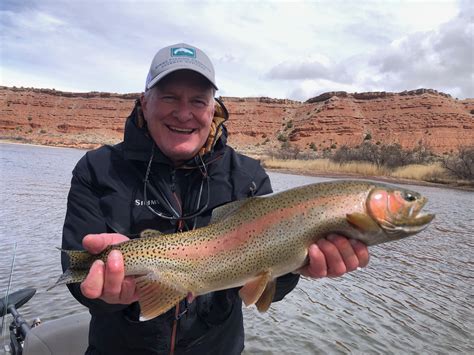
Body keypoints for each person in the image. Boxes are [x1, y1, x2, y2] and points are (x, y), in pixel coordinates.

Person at [61, 43, 369, 355]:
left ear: (214, 108)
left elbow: (267, 291)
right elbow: (76, 274)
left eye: (198, 100)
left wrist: (299, 265)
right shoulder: (98, 169)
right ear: (145, 101)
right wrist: (104, 293)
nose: (184, 113)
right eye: (169, 97)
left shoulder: (248, 178)